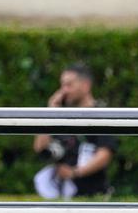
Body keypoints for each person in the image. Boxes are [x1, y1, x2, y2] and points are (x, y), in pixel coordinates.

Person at [33, 63, 118, 199]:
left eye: (69, 85)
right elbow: (40, 148)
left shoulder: (101, 114)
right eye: (62, 85)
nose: (64, 90)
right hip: (60, 195)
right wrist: (50, 112)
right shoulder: (59, 114)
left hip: (92, 195)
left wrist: (74, 173)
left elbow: (105, 154)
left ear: (85, 85)